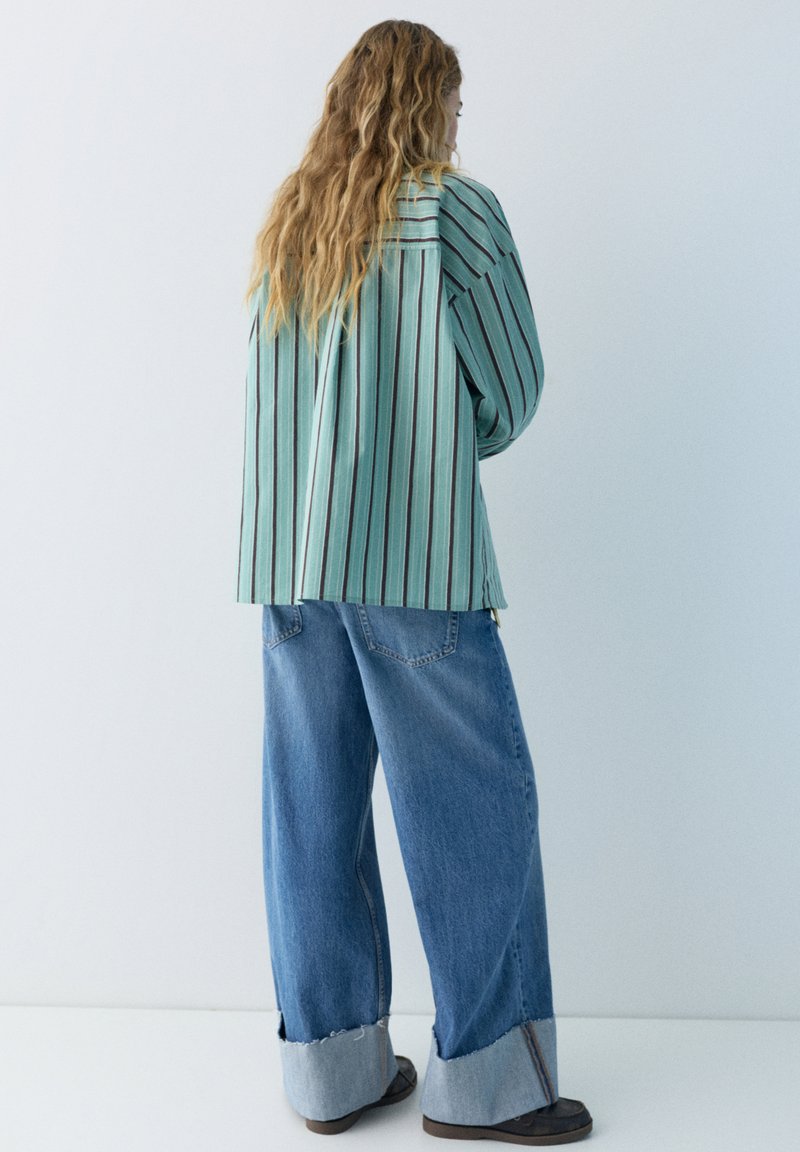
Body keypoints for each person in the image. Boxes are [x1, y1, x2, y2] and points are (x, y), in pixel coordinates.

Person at [236, 19, 593, 1146]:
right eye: (453, 104)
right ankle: (491, 1087)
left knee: (311, 814)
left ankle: (332, 1075)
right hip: (412, 562)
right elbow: (513, 386)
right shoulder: (451, 214)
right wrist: (439, 447)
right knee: (471, 809)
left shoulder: (293, 219)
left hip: (290, 571)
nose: (455, 124)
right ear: (428, 103)